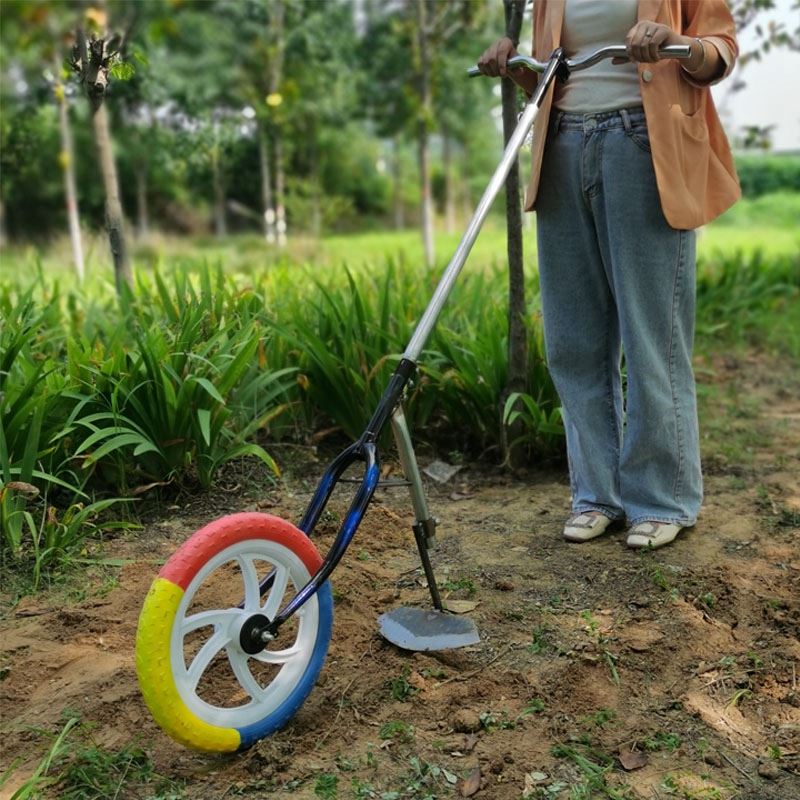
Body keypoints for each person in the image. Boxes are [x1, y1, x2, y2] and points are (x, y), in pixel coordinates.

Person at [477, 1, 740, 549]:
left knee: (652, 336)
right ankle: (596, 494)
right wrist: (517, 63)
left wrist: (676, 41)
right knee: (574, 339)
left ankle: (660, 497)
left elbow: (719, 49)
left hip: (642, 143)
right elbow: (554, 76)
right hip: (563, 145)